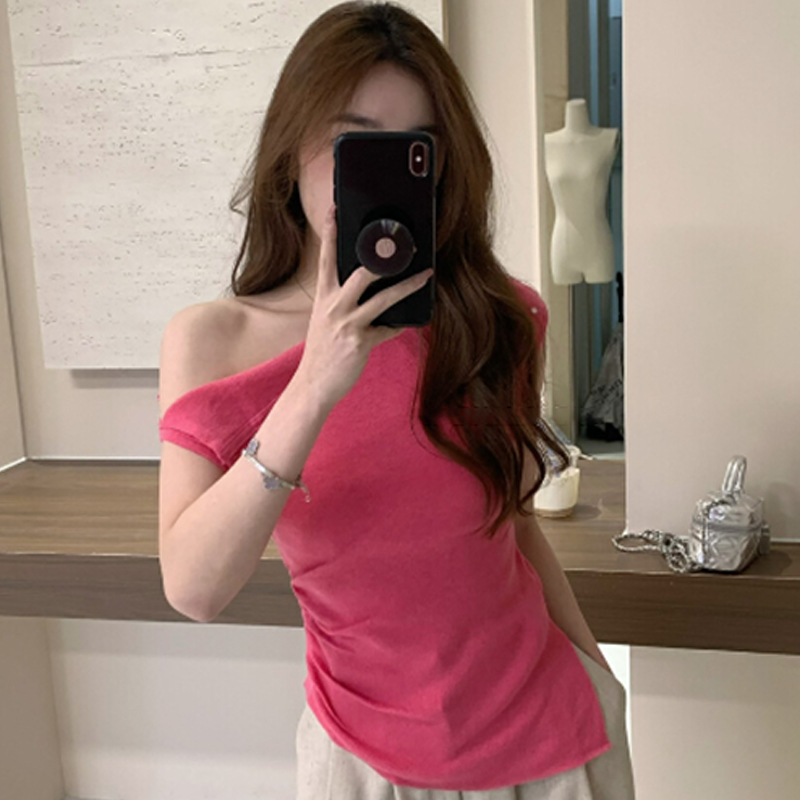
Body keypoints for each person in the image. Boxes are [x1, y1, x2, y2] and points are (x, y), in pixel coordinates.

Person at [157, 2, 636, 798]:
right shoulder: (213, 341)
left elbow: (514, 528)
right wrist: (316, 382)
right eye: (356, 141)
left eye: (415, 149)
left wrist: (600, 679)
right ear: (290, 148)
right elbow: (194, 588)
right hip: (362, 760)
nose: (383, 171)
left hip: (554, 744)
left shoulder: (499, 318)